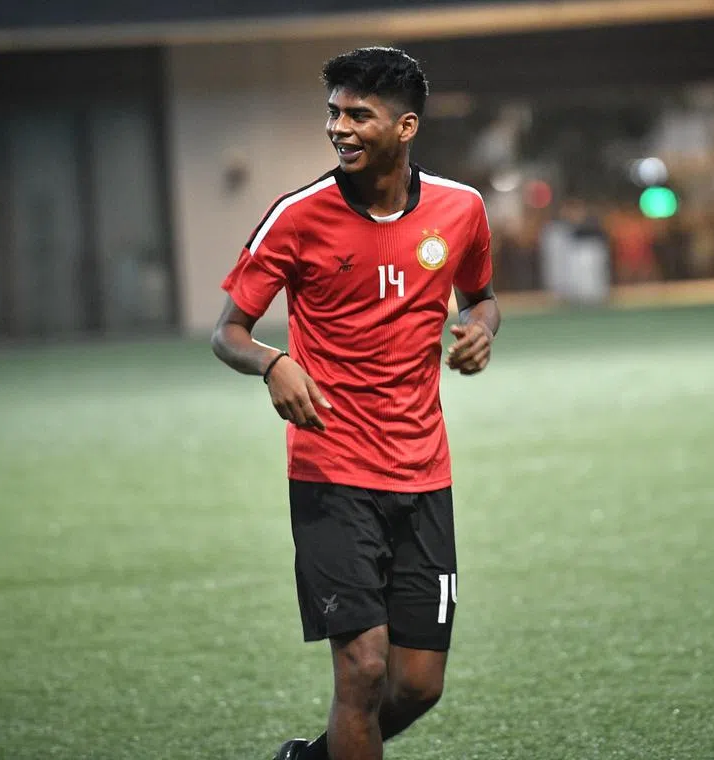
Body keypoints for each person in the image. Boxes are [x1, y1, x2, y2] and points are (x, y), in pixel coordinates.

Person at [210, 47, 500, 760]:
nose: (339, 127)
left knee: (418, 685)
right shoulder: (297, 217)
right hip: (330, 469)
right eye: (333, 112)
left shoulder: (461, 209)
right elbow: (227, 333)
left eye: (357, 115)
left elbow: (484, 298)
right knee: (363, 670)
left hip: (423, 471)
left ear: (404, 128)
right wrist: (273, 364)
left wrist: (479, 332)